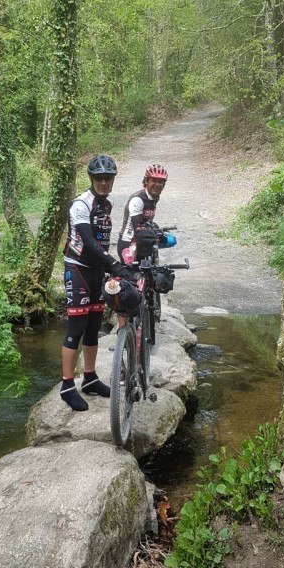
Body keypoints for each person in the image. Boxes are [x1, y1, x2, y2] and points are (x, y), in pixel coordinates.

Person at [60, 154, 126, 412]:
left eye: (108, 178)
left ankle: (89, 378)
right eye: (99, 178)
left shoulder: (106, 204)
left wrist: (110, 265)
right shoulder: (81, 204)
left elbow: (103, 241)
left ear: (112, 180)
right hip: (77, 269)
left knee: (93, 326)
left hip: (97, 271)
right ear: (91, 179)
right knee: (75, 327)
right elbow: (87, 241)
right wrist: (113, 263)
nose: (103, 182)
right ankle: (67, 386)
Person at [118, 163, 169, 265]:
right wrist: (157, 233)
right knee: (132, 278)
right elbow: (139, 227)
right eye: (154, 181)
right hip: (128, 243)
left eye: (161, 182)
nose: (158, 184)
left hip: (143, 241)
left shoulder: (154, 196)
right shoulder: (138, 199)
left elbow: (147, 223)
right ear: (146, 181)